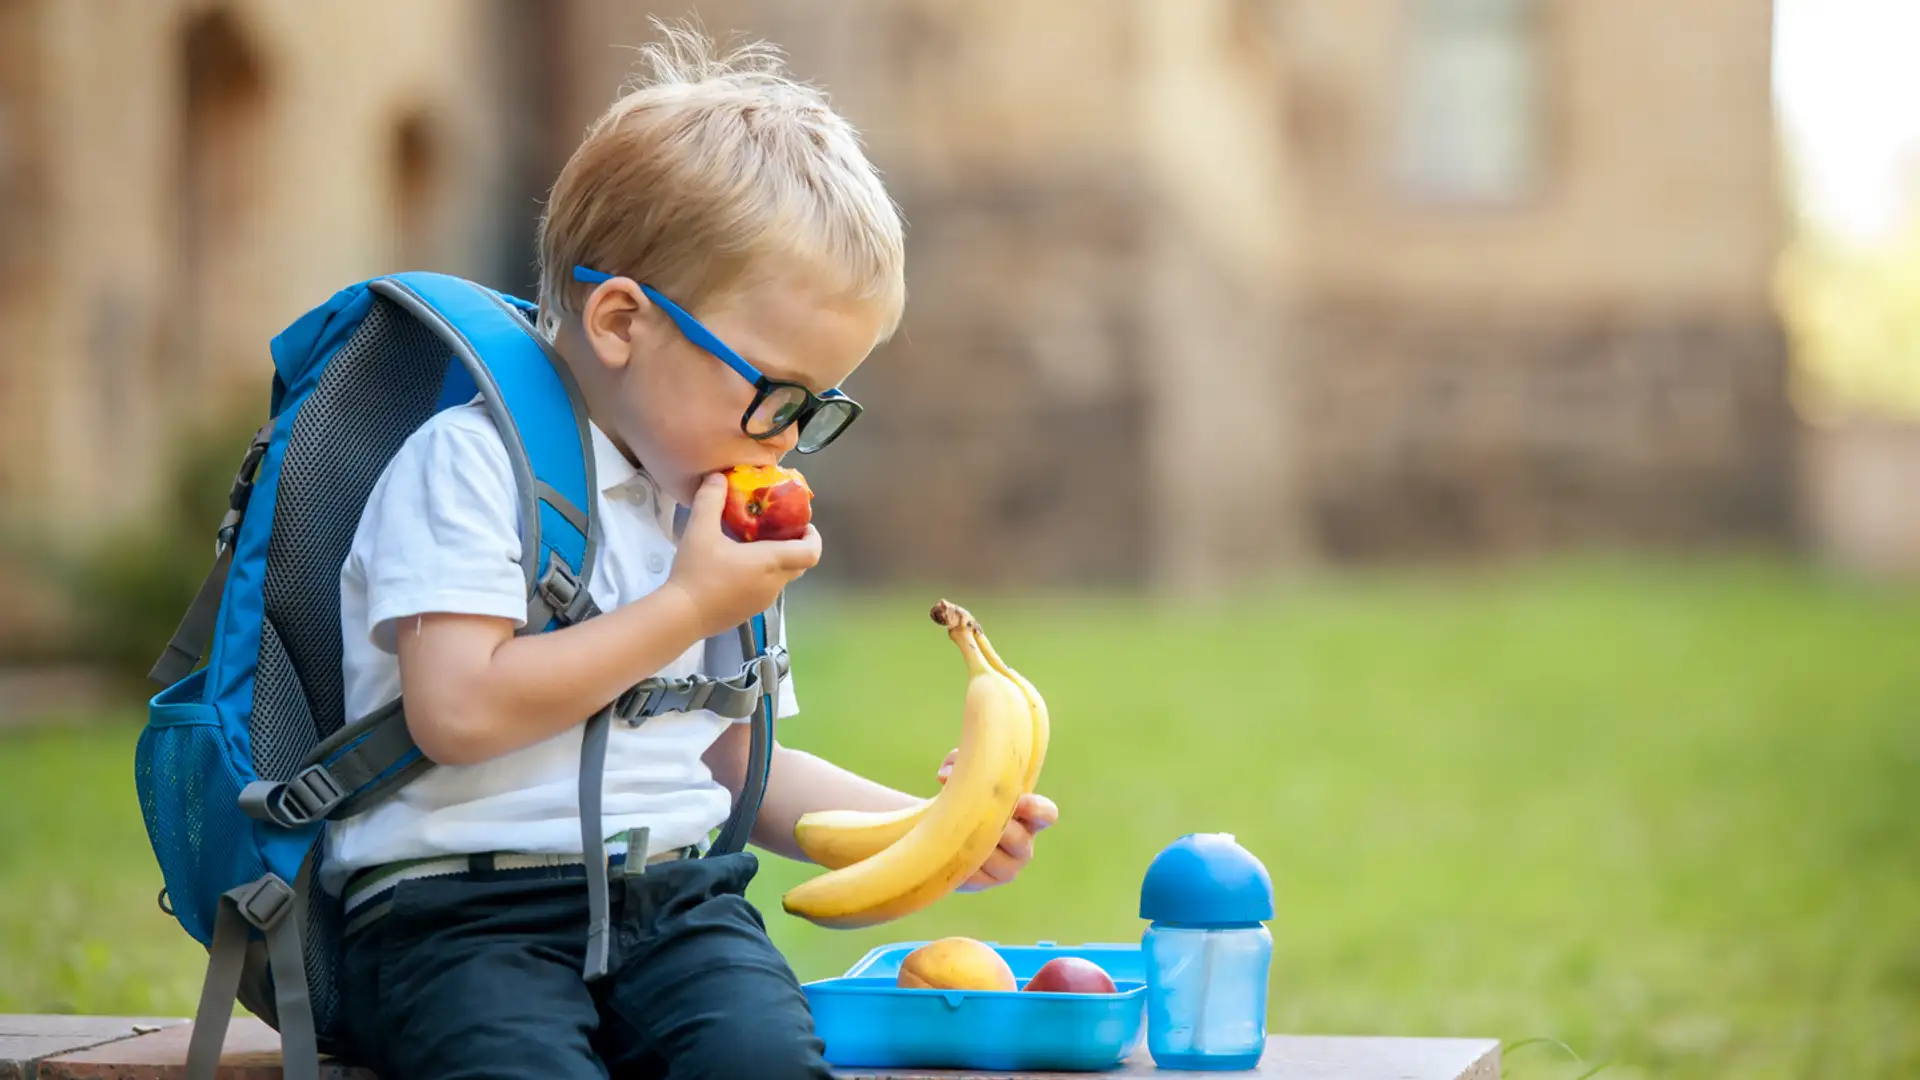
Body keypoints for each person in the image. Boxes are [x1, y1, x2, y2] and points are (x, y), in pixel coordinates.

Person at [322, 22, 1057, 1080]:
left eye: (816, 405)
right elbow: (458, 711)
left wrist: (936, 827)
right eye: (775, 392)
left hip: (674, 903)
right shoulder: (470, 467)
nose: (786, 437)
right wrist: (685, 608)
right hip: (458, 915)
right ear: (623, 322)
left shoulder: (710, 511)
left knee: (763, 1060)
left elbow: (732, 762)